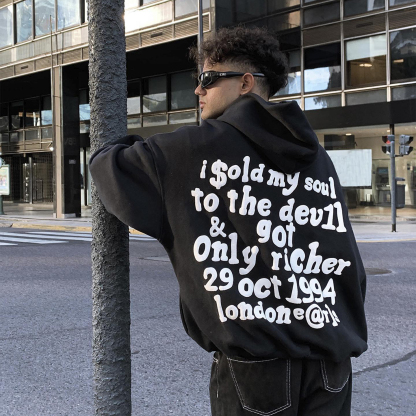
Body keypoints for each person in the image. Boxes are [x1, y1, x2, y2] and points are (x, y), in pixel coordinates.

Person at [89, 26, 367, 416]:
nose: (198, 90)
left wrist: (125, 141)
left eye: (208, 78)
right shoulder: (317, 157)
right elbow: (346, 258)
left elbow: (109, 168)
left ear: (245, 83)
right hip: (332, 363)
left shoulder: (193, 149)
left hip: (258, 370)